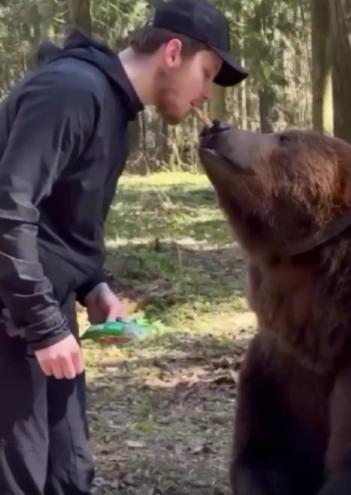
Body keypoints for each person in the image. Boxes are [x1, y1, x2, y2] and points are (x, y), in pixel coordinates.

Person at [0, 1, 247, 493]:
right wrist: (45, 327)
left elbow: (59, 220)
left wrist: (93, 283)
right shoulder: (71, 91)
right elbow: (8, 207)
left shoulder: (112, 109)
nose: (205, 96)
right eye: (206, 75)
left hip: (38, 310)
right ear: (173, 52)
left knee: (68, 471)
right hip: (14, 314)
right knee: (19, 477)